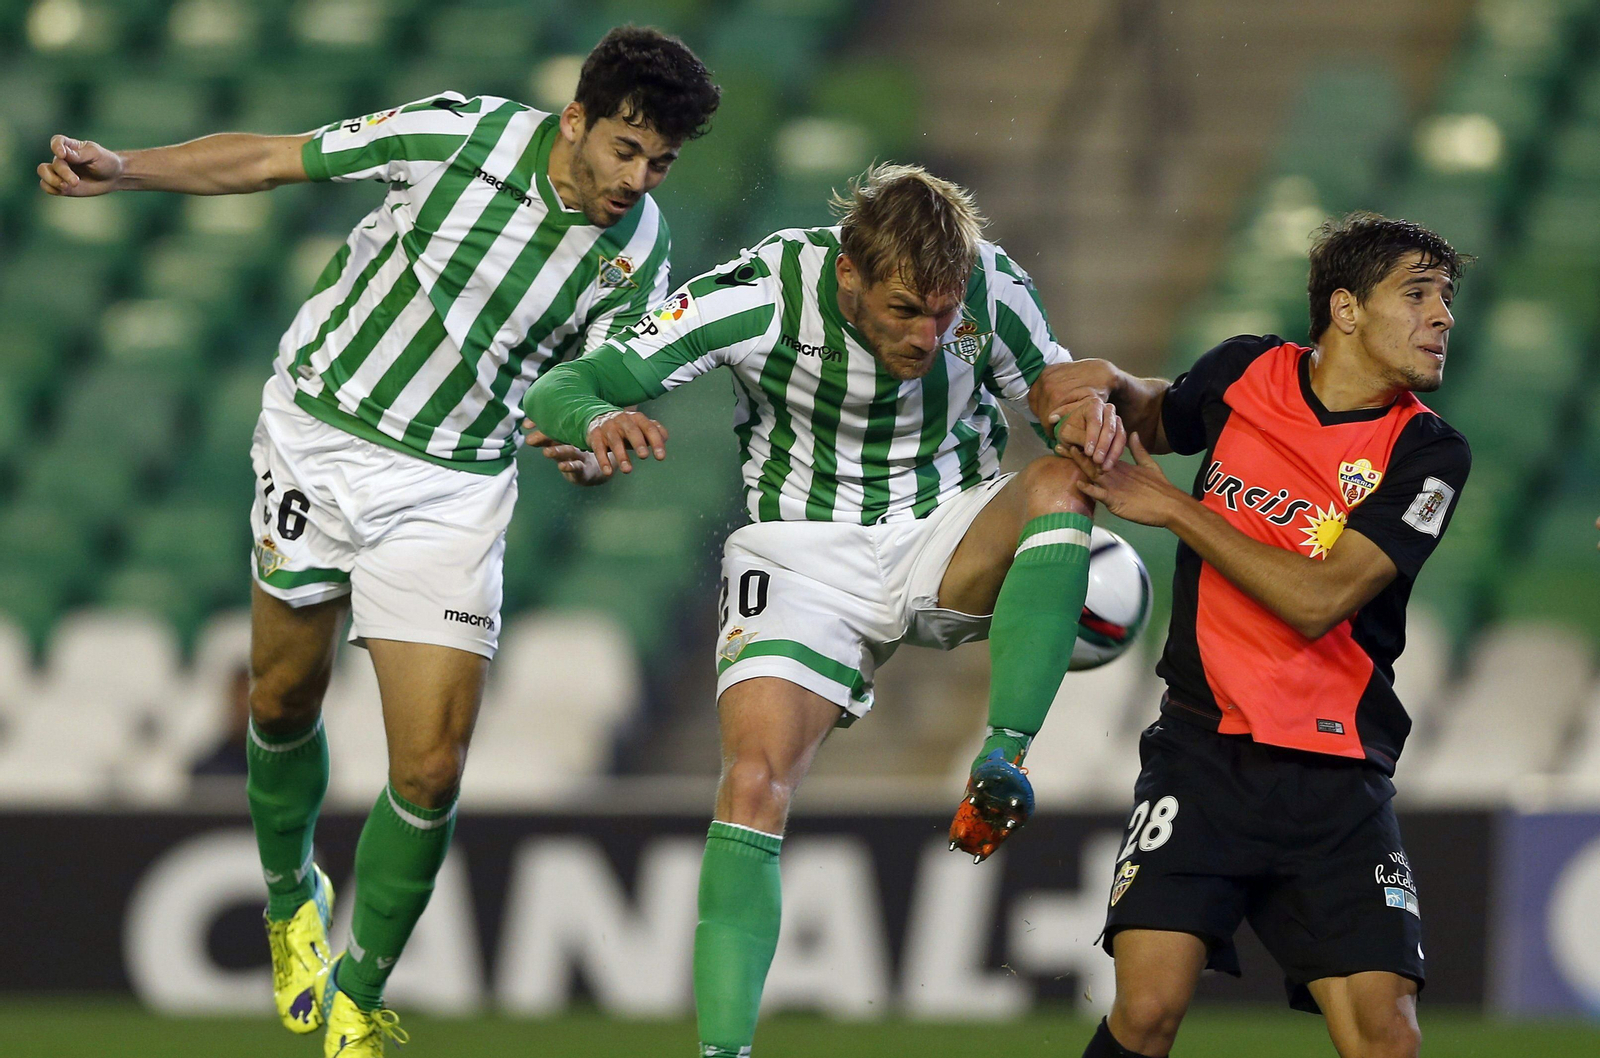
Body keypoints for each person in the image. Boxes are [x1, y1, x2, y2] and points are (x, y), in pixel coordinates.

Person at [38, 26, 719, 1057]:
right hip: (319, 438)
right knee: (278, 697)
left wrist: (581, 444)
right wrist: (127, 170)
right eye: (626, 148)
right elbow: (272, 157)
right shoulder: (454, 137)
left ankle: (356, 997)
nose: (638, 178)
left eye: (659, 162)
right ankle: (287, 896)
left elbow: (568, 394)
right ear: (574, 120)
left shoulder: (638, 250)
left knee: (434, 765)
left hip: (451, 486)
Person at [524, 162, 1126, 1058]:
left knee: (1055, 483)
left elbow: (1050, 389)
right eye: (905, 311)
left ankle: (1002, 761)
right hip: (801, 553)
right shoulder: (761, 291)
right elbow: (566, 387)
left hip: (947, 525)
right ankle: (724, 1052)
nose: (929, 335)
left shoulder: (994, 282)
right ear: (848, 273)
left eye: (944, 312)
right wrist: (591, 423)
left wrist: (1084, 414)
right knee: (755, 782)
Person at [1033, 212, 1471, 1058]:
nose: (1443, 316)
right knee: (1148, 1010)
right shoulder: (1248, 371)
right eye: (1417, 294)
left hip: (1336, 774)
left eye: (1446, 298)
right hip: (1202, 752)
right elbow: (1157, 414)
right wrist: (1098, 389)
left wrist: (1168, 506)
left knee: (1387, 1039)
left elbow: (1321, 598)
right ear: (1345, 310)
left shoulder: (1426, 453)